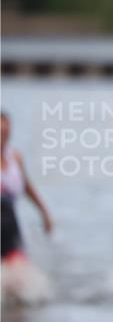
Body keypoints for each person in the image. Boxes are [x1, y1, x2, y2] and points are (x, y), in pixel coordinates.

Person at [1, 111, 54, 299]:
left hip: (10, 229)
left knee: (21, 285)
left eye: (7, 131)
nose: (4, 135)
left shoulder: (15, 157)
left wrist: (44, 213)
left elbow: (26, 186)